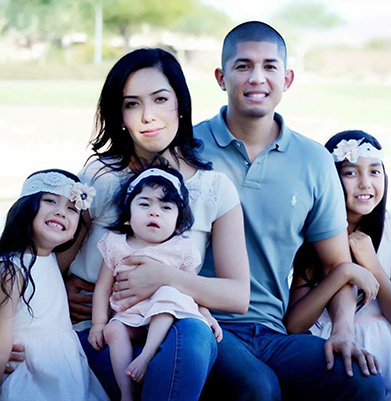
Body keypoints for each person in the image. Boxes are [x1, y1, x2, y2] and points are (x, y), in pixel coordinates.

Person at [190, 21, 386, 400]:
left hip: (273, 333)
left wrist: (343, 329)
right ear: (221, 76)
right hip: (201, 324)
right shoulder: (187, 148)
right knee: (257, 388)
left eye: (269, 66)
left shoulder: (313, 161)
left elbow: (335, 264)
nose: (257, 78)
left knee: (363, 382)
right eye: (243, 66)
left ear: (288, 78)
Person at [57, 48, 249, 400]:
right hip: (107, 326)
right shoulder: (99, 178)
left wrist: (168, 278)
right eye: (132, 104)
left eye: (160, 99)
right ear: (120, 116)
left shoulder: (214, 187)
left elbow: (238, 296)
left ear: (180, 103)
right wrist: (59, 290)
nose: (148, 116)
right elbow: (46, 260)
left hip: (174, 322)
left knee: (254, 384)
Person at [88, 166, 222, 400]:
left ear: (178, 223)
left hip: (167, 316)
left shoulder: (180, 247)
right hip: (130, 315)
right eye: (144, 204)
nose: (154, 213)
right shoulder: (116, 244)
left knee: (166, 296)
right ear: (128, 216)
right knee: (113, 330)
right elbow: (103, 287)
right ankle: (126, 391)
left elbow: (194, 286)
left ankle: (146, 355)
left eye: (166, 207)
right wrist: (98, 323)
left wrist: (206, 314)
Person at [285, 130, 391, 400]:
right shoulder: (311, 235)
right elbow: (295, 325)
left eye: (374, 171)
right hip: (327, 351)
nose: (365, 184)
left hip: (386, 354)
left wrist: (371, 264)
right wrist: (343, 272)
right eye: (351, 173)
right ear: (331, 179)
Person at [0, 169, 108, 401]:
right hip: (31, 377)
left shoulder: (51, 260)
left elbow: (84, 226)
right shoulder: (12, 269)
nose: (61, 212)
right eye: (50, 200)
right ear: (25, 209)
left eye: (71, 208)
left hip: (67, 373)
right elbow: (2, 337)